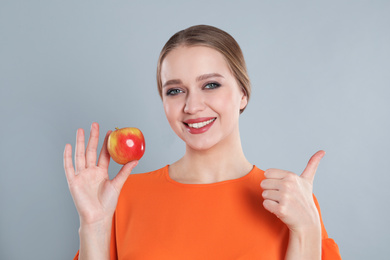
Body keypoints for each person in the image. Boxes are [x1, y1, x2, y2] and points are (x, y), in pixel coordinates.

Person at [64, 25, 341, 260]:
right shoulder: (121, 198)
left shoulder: (290, 200)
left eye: (210, 85)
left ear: (242, 94)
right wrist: (94, 226)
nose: (192, 106)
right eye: (175, 91)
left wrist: (306, 230)